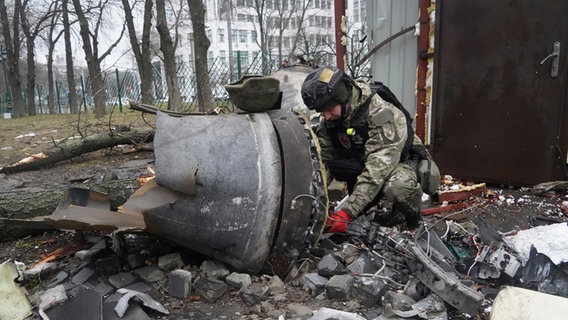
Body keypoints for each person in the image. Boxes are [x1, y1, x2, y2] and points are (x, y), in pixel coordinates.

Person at [301, 65, 423, 233]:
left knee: (398, 187)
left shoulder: (381, 113)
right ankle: (367, 211)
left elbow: (378, 168)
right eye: (323, 112)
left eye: (329, 110)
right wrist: (313, 201)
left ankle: (411, 219)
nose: (326, 116)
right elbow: (323, 164)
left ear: (343, 98)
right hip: (365, 163)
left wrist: (347, 212)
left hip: (401, 164)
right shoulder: (331, 120)